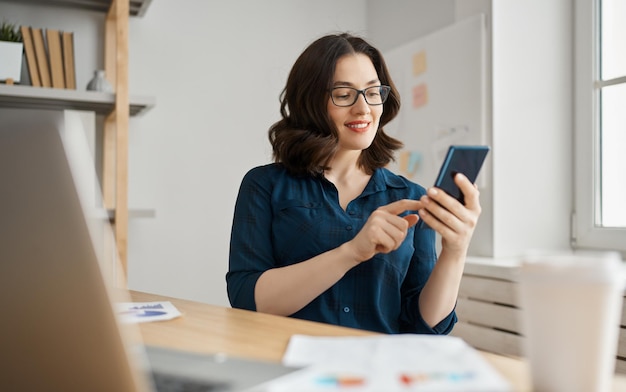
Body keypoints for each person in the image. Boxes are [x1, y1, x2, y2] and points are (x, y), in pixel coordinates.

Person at [226, 32, 481, 335]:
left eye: (373, 93)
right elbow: (245, 299)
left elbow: (424, 324)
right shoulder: (264, 185)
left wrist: (456, 249)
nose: (363, 109)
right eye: (344, 95)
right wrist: (352, 252)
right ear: (310, 102)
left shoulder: (411, 197)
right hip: (289, 367)